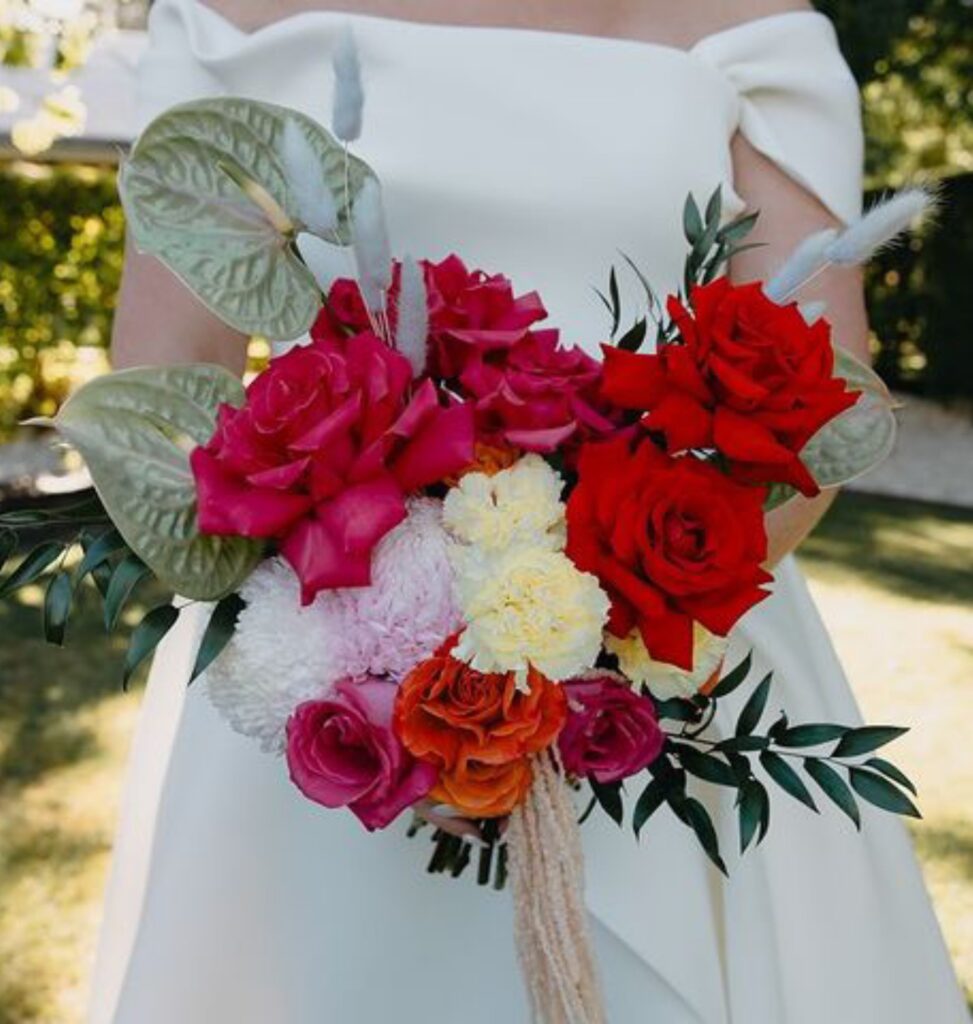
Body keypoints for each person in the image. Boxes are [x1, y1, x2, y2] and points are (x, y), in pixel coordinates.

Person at [89, 1, 968, 1021]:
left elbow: (819, 391)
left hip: (671, 669)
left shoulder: (752, 23)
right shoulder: (226, 18)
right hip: (324, 673)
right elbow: (168, 390)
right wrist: (376, 665)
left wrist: (589, 647)